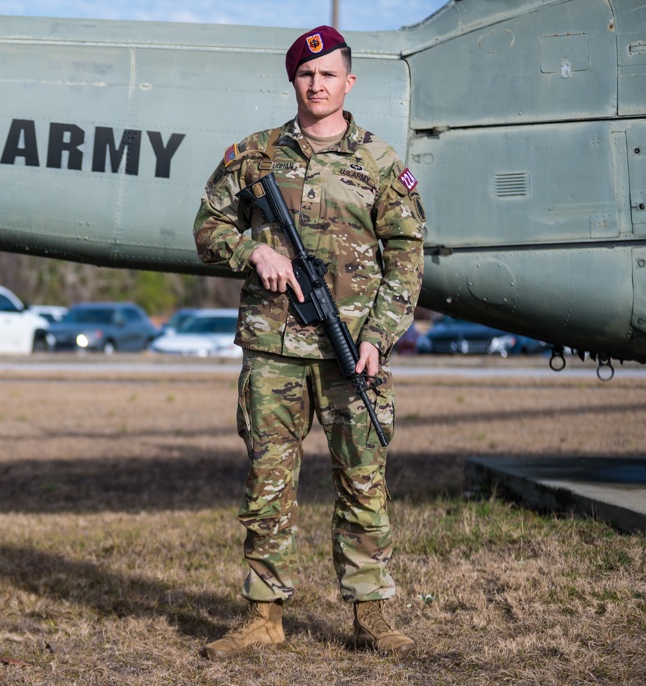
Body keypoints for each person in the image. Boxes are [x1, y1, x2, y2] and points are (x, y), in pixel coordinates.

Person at [192, 25, 425, 659]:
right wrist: (253, 249)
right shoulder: (255, 156)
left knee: (363, 480)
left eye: (329, 75)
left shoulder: (379, 164)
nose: (317, 84)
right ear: (293, 81)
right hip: (274, 350)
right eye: (306, 74)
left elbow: (407, 256)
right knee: (268, 483)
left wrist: (379, 334)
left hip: (355, 352)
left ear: (349, 83)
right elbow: (208, 228)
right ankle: (264, 615)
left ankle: (371, 617)